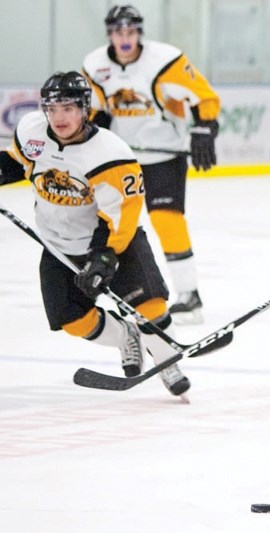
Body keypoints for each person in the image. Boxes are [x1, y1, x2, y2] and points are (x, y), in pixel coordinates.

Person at [0, 71, 190, 397]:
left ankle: (165, 358)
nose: (59, 117)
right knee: (73, 321)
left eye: (69, 108)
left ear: (85, 108)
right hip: (58, 245)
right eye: (53, 108)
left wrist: (104, 255)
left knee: (151, 306)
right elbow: (19, 162)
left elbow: (121, 213)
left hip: (114, 241)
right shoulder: (32, 131)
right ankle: (126, 337)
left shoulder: (110, 152)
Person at [82, 4, 221, 325]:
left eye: (130, 31)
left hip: (163, 154)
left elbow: (204, 96)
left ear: (139, 33)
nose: (125, 38)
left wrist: (204, 128)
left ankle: (190, 296)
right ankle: (114, 290)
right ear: (110, 35)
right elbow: (96, 111)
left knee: (167, 221)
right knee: (113, 225)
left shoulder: (165, 60)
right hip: (119, 160)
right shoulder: (95, 65)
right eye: (119, 32)